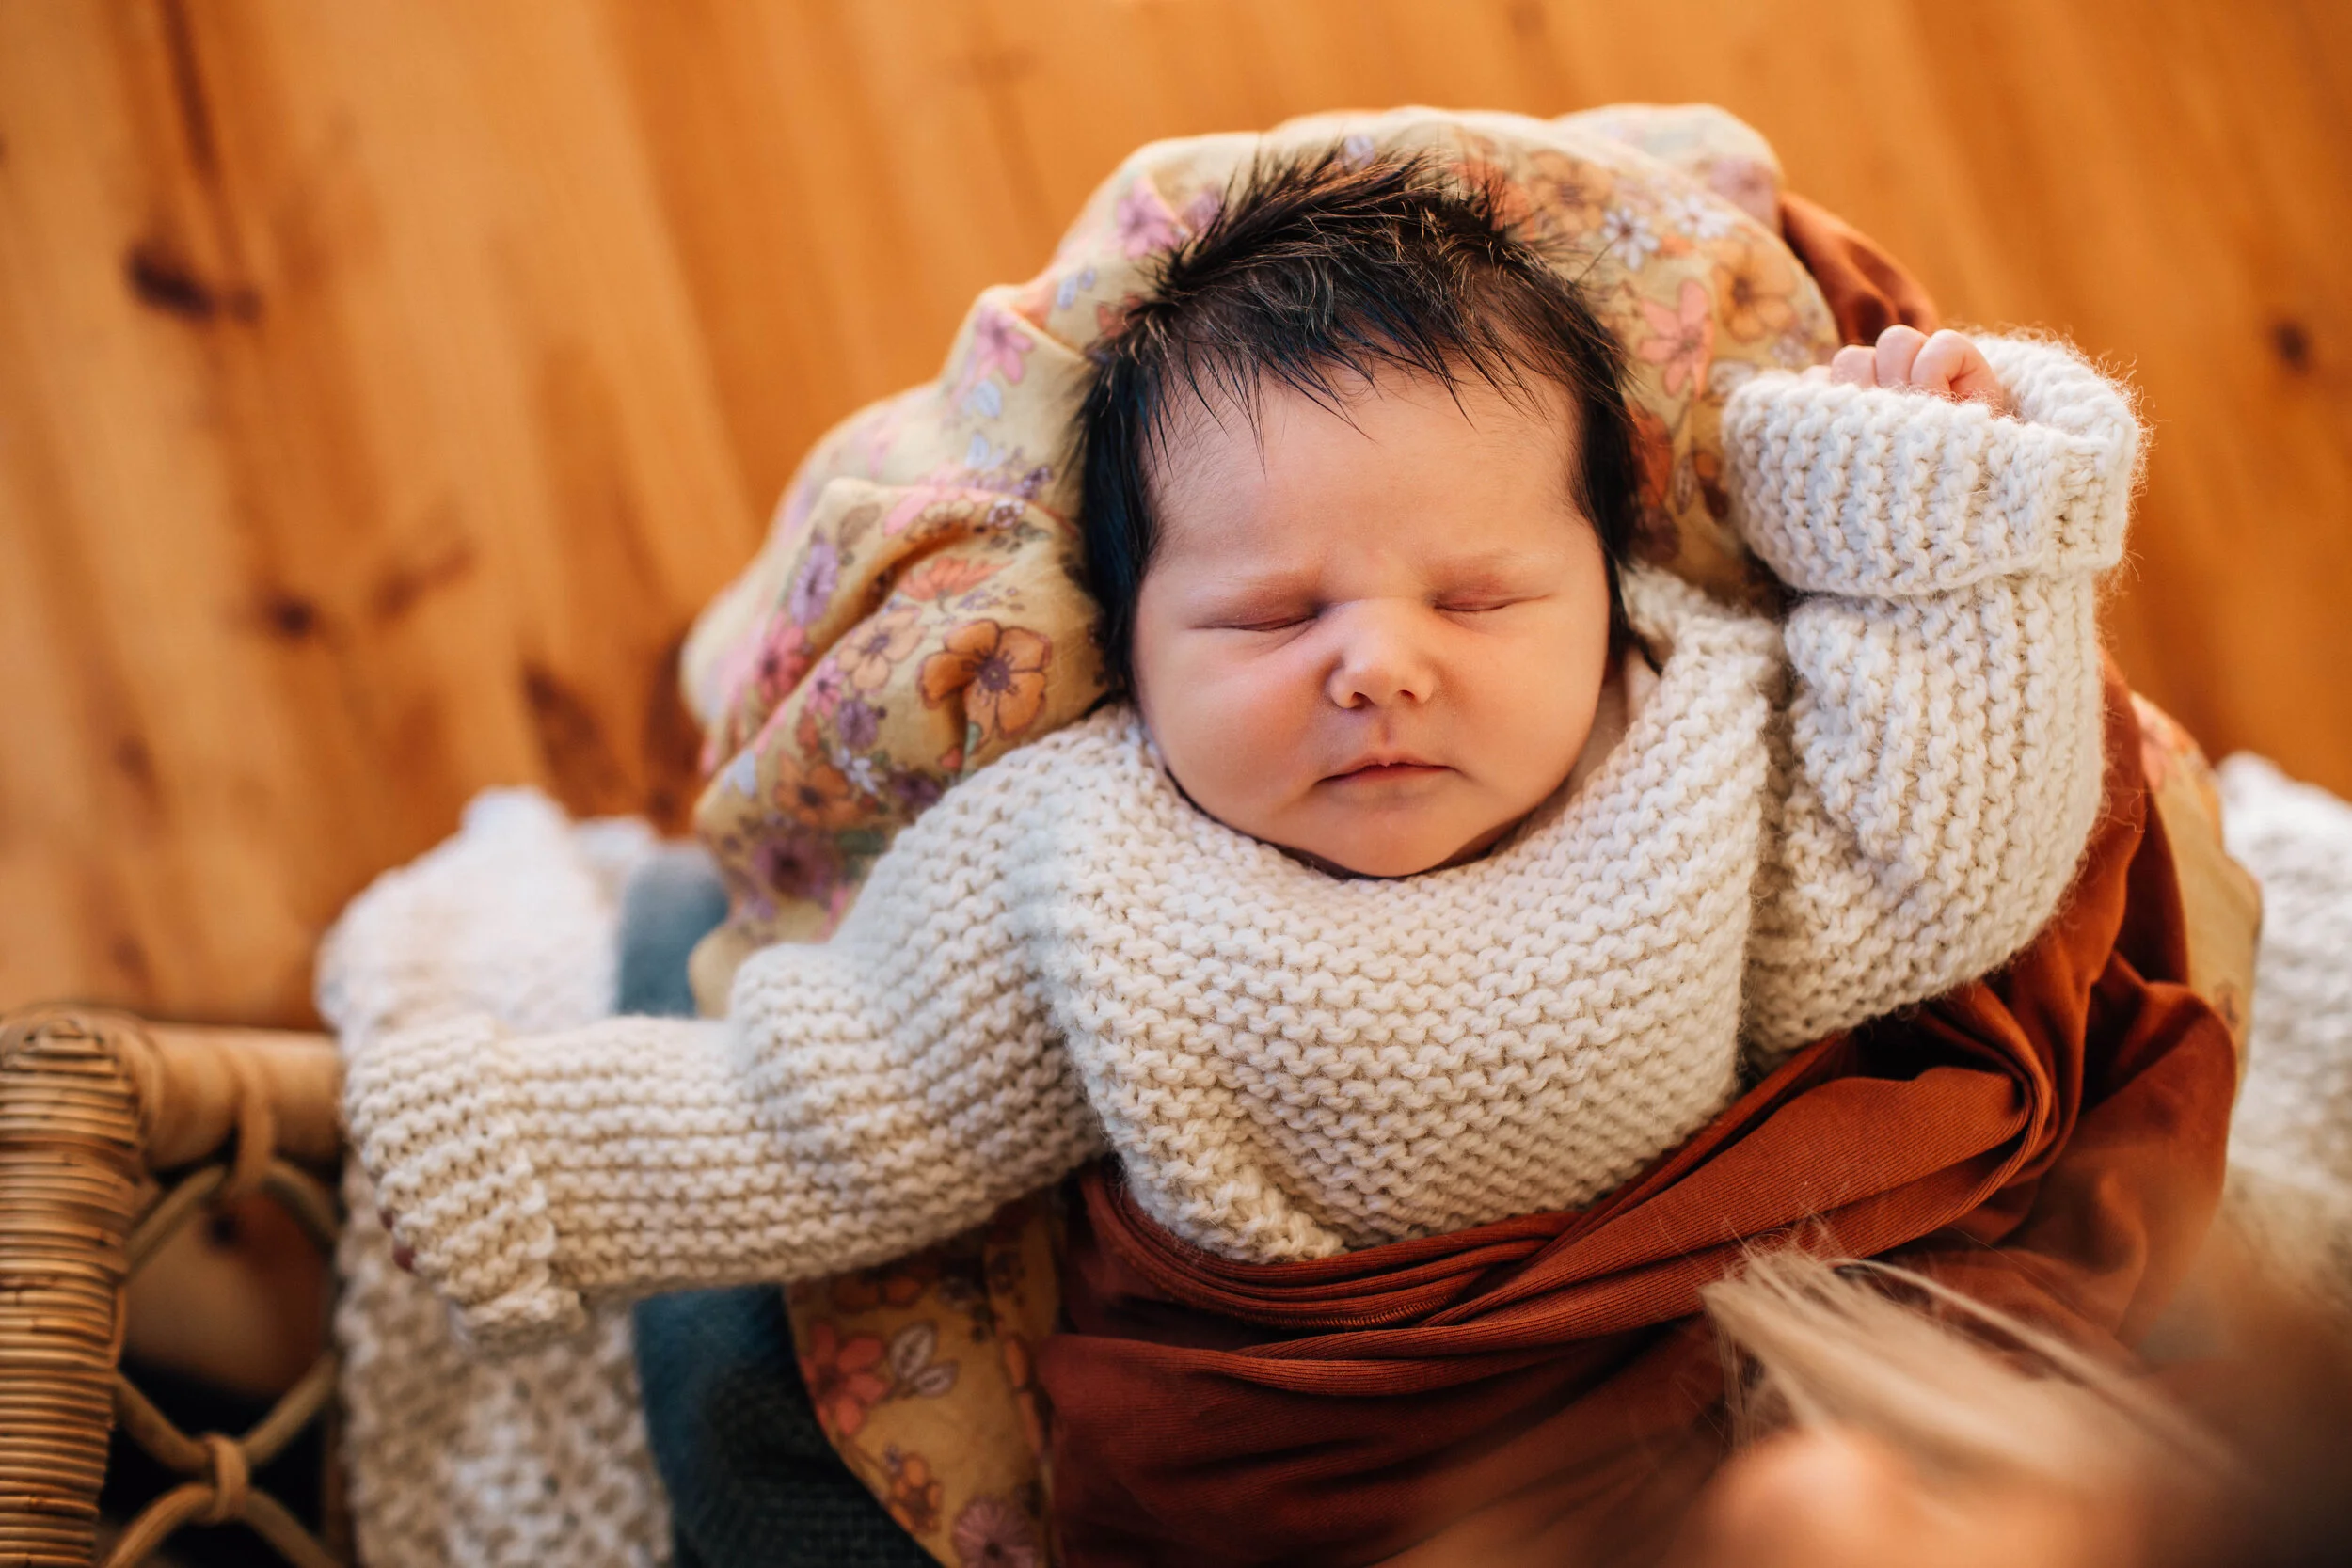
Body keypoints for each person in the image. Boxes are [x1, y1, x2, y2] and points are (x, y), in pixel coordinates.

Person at [343, 147, 2131, 1351]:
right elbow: (828, 1106)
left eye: (1483, 597)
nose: (1377, 669)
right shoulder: (1081, 859)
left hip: (1686, 1373)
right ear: (1124, 649)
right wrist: (504, 1145)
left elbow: (1948, 855)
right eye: (1274, 620)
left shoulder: (1694, 750)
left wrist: (1929, 506)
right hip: (1311, 1445)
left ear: (1609, 590)